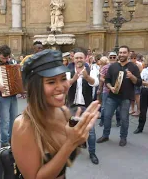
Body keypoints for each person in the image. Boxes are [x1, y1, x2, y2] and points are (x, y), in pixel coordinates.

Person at [12, 49, 100, 178]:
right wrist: (71, 143)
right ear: (35, 87)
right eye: (51, 82)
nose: (61, 87)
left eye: (63, 79)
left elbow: (66, 161)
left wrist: (78, 134)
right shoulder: (24, 125)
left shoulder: (63, 111)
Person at [96, 46, 142, 147]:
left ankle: (123, 137)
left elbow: (139, 82)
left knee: (124, 119)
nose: (121, 54)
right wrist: (110, 87)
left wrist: (132, 76)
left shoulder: (133, 67)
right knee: (107, 116)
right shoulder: (113, 66)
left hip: (125, 98)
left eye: (124, 52)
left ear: (128, 54)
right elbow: (107, 80)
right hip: (112, 96)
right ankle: (105, 135)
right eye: (120, 53)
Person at [66, 49, 99, 165]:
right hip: (72, 105)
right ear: (73, 59)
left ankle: (92, 153)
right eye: (76, 58)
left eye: (81, 57)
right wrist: (73, 79)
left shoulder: (91, 69)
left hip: (87, 105)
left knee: (91, 131)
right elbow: (64, 86)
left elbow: (95, 83)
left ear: (85, 58)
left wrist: (87, 77)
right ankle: (71, 151)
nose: (79, 59)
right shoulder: (68, 70)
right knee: (71, 129)